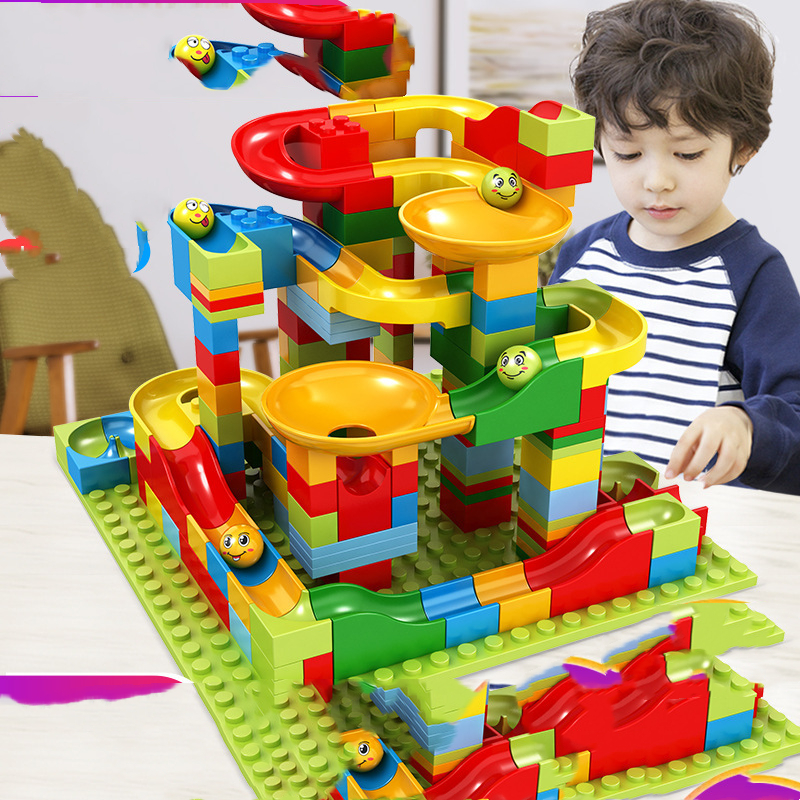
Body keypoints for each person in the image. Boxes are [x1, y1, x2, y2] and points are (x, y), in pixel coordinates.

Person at [549, 0, 800, 493]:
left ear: (743, 146)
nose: (656, 181)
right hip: (576, 511)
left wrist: (745, 425)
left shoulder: (752, 274)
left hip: (694, 523)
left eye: (687, 153)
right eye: (627, 153)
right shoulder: (582, 256)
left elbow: (795, 409)